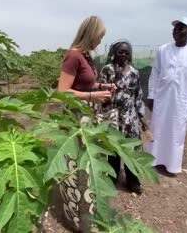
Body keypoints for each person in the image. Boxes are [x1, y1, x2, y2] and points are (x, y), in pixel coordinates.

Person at [56, 15, 116, 232]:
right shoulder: (73, 56)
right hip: (75, 119)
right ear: (91, 34)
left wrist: (102, 85)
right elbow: (62, 92)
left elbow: (84, 83)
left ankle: (89, 214)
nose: (100, 42)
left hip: (86, 117)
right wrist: (93, 96)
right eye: (99, 37)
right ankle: (76, 219)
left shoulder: (85, 57)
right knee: (78, 166)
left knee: (88, 166)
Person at [147, 16, 187, 176]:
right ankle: (153, 160)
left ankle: (171, 165)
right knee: (158, 128)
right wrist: (151, 95)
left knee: (176, 131)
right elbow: (155, 73)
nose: (176, 31)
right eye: (175, 28)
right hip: (162, 97)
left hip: (182, 99)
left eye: (180, 28)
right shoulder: (163, 49)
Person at [99, 40, 146, 194]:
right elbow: (100, 92)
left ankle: (133, 181)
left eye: (126, 52)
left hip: (129, 116)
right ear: (114, 53)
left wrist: (141, 116)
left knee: (131, 149)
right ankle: (112, 178)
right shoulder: (107, 70)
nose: (124, 55)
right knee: (113, 148)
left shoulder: (134, 72)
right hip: (112, 115)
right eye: (121, 51)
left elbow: (138, 96)